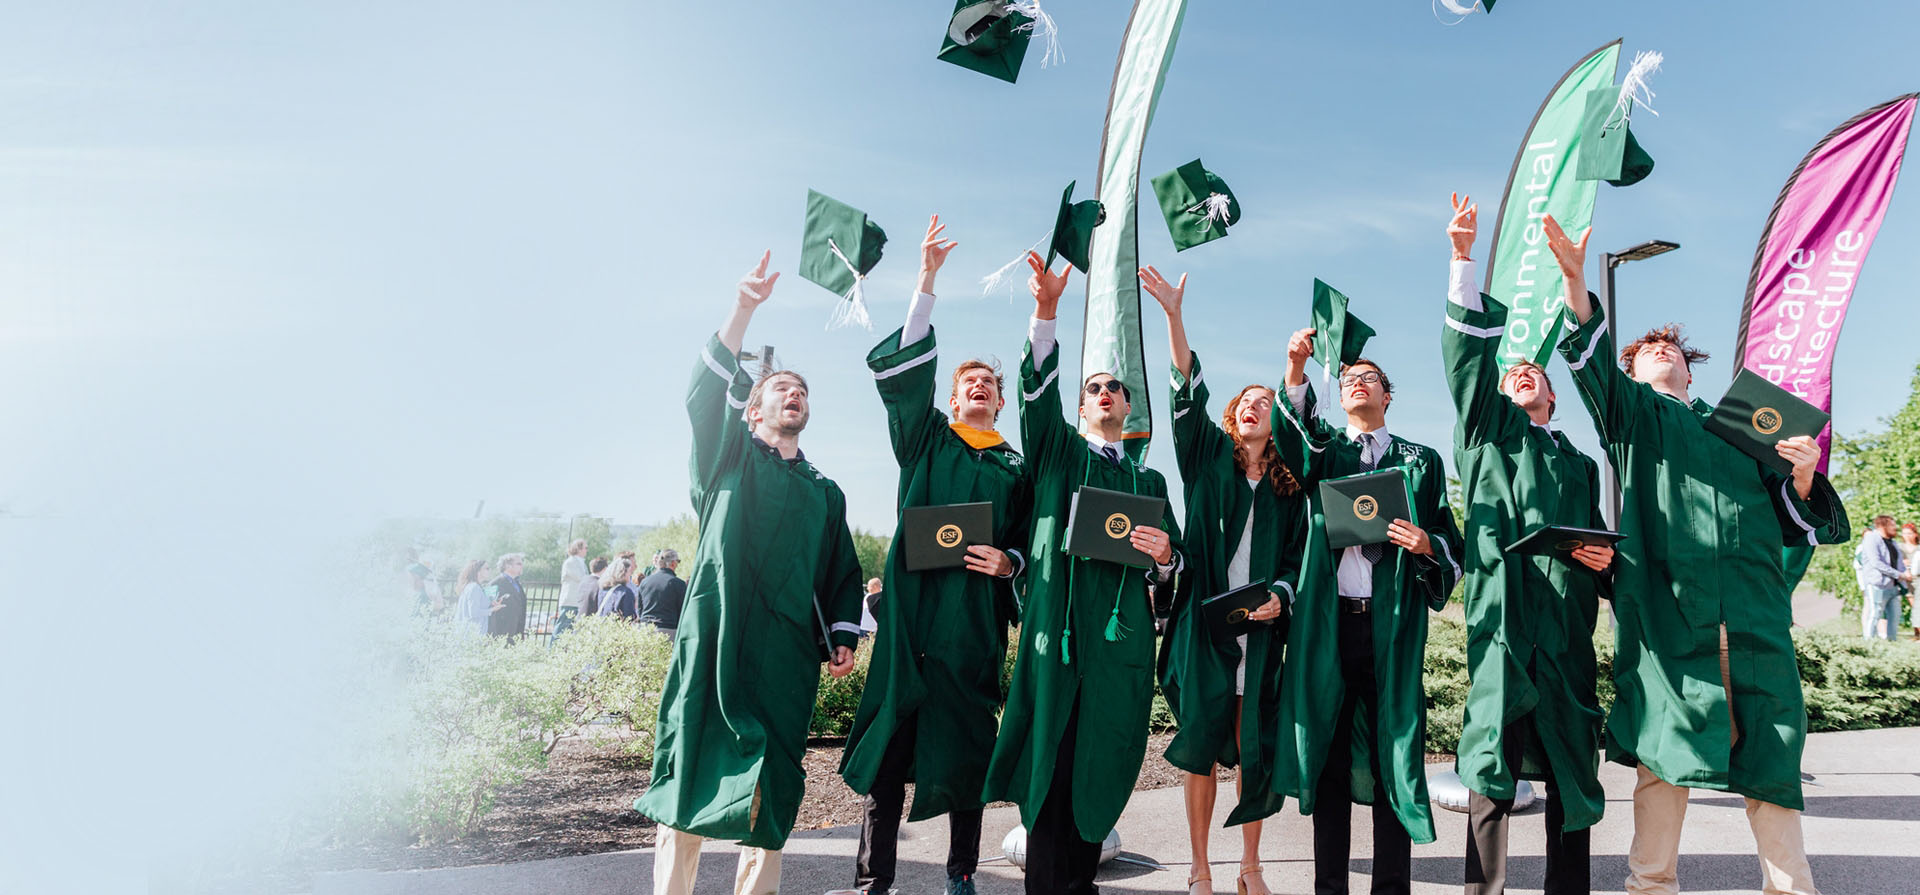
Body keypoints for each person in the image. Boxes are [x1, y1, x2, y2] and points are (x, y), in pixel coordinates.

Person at [1544, 214, 1851, 895]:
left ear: (1688, 364)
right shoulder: (1634, 418)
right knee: (1664, 758)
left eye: (1668, 349)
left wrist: (1800, 473)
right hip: (1669, 617)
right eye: (1644, 350)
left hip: (1752, 621)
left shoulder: (1743, 427)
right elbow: (1591, 370)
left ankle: (1791, 886)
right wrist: (1573, 277)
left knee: (1772, 756)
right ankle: (1651, 885)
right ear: (1632, 370)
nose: (1658, 352)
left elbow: (1794, 521)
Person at [633, 251, 863, 895]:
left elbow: (841, 570)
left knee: (775, 778)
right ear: (754, 409)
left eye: (803, 391)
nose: (795, 395)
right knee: (692, 765)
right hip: (718, 638)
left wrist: (841, 635)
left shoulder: (825, 491)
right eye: (782, 389)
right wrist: (743, 310)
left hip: (785, 653)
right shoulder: (726, 460)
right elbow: (701, 397)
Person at [838, 216, 1033, 895]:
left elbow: (1029, 541)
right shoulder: (926, 441)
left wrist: (1010, 563)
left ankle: (961, 874)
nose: (979, 387)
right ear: (952, 399)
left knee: (966, 758)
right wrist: (925, 280)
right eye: (968, 382)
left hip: (972, 627)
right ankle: (873, 881)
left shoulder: (1014, 466)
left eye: (990, 383)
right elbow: (908, 372)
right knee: (890, 757)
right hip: (914, 624)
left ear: (1001, 400)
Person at [982, 251, 1183, 895]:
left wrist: (1163, 557)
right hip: (1060, 642)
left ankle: (1083, 883)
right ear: (1082, 404)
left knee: (1098, 771)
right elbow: (1037, 407)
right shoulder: (1059, 455)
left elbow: (1173, 563)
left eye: (1114, 389)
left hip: (1119, 648)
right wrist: (1046, 311)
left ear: (1129, 410)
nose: (1104, 394)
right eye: (1093, 388)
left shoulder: (1148, 480)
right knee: (1051, 769)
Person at [1440, 194, 1611, 895]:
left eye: (1532, 370)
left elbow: (1600, 541)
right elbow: (1466, 363)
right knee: (1491, 763)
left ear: (1550, 392)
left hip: (1566, 627)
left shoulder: (1580, 464)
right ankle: (1485, 890)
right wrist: (1460, 260)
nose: (1521, 372)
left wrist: (1604, 562)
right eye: (1512, 371)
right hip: (1504, 623)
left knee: (1573, 765)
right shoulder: (1487, 437)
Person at [1270, 323, 1463, 895]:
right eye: (1350, 378)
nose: (1357, 384)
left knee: (1391, 758)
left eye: (1368, 379)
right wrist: (1296, 370)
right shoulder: (1327, 452)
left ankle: (1391, 889)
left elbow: (1450, 539)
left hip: (1391, 627)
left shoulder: (1419, 461)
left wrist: (1428, 545)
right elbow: (1294, 443)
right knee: (1329, 758)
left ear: (1386, 397)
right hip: (1332, 625)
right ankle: (1329, 886)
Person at [1141, 264, 1302, 895]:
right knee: (1204, 745)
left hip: (1259, 634)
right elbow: (1187, 384)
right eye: (1247, 402)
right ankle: (1201, 865)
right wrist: (1175, 316)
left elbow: (1294, 562)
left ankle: (1251, 866)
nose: (1257, 406)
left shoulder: (1290, 489)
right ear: (1234, 418)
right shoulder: (1206, 456)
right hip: (1205, 631)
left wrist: (1279, 599)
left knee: (1252, 748)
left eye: (1268, 401)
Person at [1855, 515, 1909, 641]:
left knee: (1895, 616)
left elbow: (1900, 562)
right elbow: (1876, 563)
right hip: (1878, 585)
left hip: (1894, 586)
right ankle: (1869, 644)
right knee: (1874, 614)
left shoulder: (1893, 542)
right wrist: (1899, 575)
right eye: (1892, 525)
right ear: (1882, 526)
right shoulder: (1871, 539)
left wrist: (1905, 575)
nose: (1895, 528)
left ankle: (1892, 642)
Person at [637, 549, 688, 638]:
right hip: (668, 630)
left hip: (645, 630)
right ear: (673, 563)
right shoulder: (678, 584)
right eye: (678, 561)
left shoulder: (644, 582)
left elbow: (640, 609)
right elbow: (683, 611)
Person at [487, 553, 528, 639]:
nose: (522, 566)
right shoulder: (494, 584)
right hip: (501, 635)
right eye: (518, 564)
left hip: (517, 634)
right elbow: (488, 611)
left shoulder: (517, 583)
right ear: (508, 566)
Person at [555, 539, 589, 637]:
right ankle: (552, 650)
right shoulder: (570, 562)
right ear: (578, 549)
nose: (587, 550)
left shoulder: (581, 563)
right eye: (585, 548)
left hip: (577, 602)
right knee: (562, 629)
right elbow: (581, 578)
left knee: (572, 631)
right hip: (570, 602)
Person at [455, 559, 496, 635]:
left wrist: (492, 604)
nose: (489, 570)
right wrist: (493, 609)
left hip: (471, 633)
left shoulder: (473, 586)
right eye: (487, 568)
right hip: (471, 634)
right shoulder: (474, 587)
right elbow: (474, 613)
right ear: (478, 571)